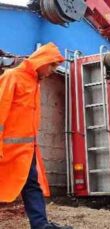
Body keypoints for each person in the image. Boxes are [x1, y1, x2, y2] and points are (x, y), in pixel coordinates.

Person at [0, 43, 73, 229]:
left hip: (26, 150)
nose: (52, 71)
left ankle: (40, 225)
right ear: (42, 61)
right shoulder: (12, 77)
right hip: (7, 151)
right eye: (52, 66)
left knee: (31, 186)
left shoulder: (34, 83)